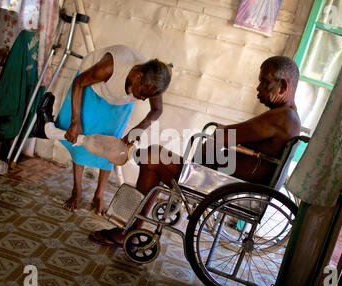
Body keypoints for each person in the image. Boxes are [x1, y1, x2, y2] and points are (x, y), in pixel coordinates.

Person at [89, 55, 302, 248]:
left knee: (153, 155)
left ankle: (132, 230)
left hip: (222, 185)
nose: (258, 87)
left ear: (282, 86)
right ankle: (133, 230)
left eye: (265, 82)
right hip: (227, 181)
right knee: (153, 158)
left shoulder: (281, 117)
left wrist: (218, 138)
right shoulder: (289, 118)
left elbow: (222, 137)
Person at [42, 45, 172, 215]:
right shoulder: (111, 66)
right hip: (91, 90)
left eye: (146, 97)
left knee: (112, 147)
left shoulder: (154, 80)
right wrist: (75, 121)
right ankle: (77, 191)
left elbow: (157, 110)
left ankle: (99, 195)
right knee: (81, 138)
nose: (142, 99)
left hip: (118, 103)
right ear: (139, 76)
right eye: (142, 93)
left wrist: (138, 129)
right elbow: (79, 82)